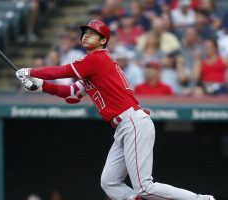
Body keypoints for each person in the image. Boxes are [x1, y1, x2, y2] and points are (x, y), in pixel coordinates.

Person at [15, 19, 215, 200]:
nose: (86, 34)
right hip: (123, 128)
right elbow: (72, 95)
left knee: (144, 187)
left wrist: (30, 71)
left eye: (92, 33)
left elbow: (63, 71)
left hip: (133, 122)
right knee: (109, 182)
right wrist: (41, 86)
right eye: (85, 32)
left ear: (103, 41)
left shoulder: (97, 59)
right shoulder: (92, 68)